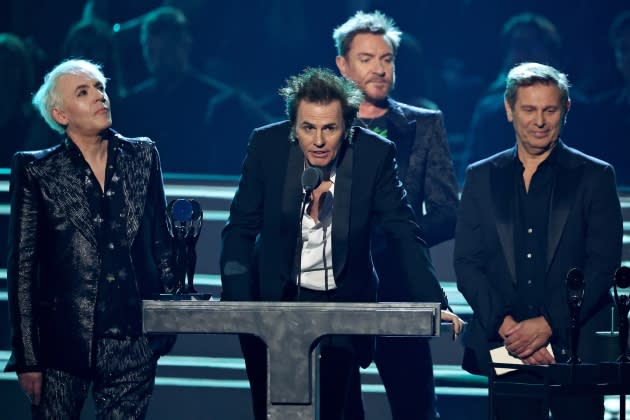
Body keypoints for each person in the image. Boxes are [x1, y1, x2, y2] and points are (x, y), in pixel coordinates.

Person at [220, 67, 463, 420]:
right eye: (308, 128)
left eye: (329, 128)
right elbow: (240, 228)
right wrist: (240, 305)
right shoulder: (266, 146)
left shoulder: (374, 155)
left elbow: (403, 230)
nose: (318, 140)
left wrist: (433, 301)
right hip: (273, 302)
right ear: (294, 127)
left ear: (347, 128)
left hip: (343, 302)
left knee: (338, 409)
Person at [4, 58, 176, 419]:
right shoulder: (38, 170)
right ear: (61, 113)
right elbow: (22, 269)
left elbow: (162, 245)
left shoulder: (142, 155)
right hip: (62, 347)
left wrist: (164, 326)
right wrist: (28, 357)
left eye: (100, 87)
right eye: (83, 92)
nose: (100, 97)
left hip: (132, 343)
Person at [454, 62, 623, 420]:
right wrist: (511, 330)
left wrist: (547, 325)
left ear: (566, 109)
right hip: (505, 345)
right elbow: (468, 263)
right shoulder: (481, 177)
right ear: (508, 109)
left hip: (574, 347)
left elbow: (602, 265)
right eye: (529, 109)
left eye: (550, 110)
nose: (540, 121)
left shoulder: (595, 176)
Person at [332, 10, 459, 420]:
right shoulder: (322, 127)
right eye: (367, 59)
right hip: (336, 288)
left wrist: (392, 234)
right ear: (343, 65)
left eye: (387, 59)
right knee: (337, 404)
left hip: (402, 286)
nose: (380, 69)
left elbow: (446, 211)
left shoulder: (423, 125)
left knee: (415, 406)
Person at [117, 6, 272, 175]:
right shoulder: (134, 104)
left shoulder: (219, 100)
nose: (159, 60)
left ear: (185, 44)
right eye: (153, 52)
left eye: (166, 51)